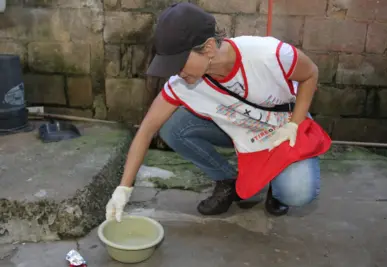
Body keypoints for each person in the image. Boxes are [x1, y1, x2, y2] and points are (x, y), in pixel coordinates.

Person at [105, 3, 331, 222]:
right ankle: (227, 180)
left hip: (282, 125)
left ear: (209, 47)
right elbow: (147, 130)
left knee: (297, 192)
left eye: (179, 62)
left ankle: (277, 185)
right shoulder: (182, 83)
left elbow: (311, 73)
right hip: (239, 126)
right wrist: (124, 188)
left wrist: (295, 124)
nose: (175, 72)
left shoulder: (268, 54)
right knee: (172, 128)